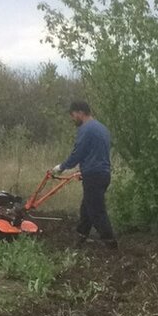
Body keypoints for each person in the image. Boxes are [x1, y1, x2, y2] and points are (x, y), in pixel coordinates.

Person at [52, 101, 118, 250]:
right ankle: (81, 236)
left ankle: (110, 242)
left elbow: (78, 153)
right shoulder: (102, 129)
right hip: (103, 173)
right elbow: (96, 153)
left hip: (94, 175)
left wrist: (62, 167)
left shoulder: (85, 129)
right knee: (87, 206)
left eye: (73, 115)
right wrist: (85, 170)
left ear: (80, 112)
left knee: (96, 210)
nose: (72, 118)